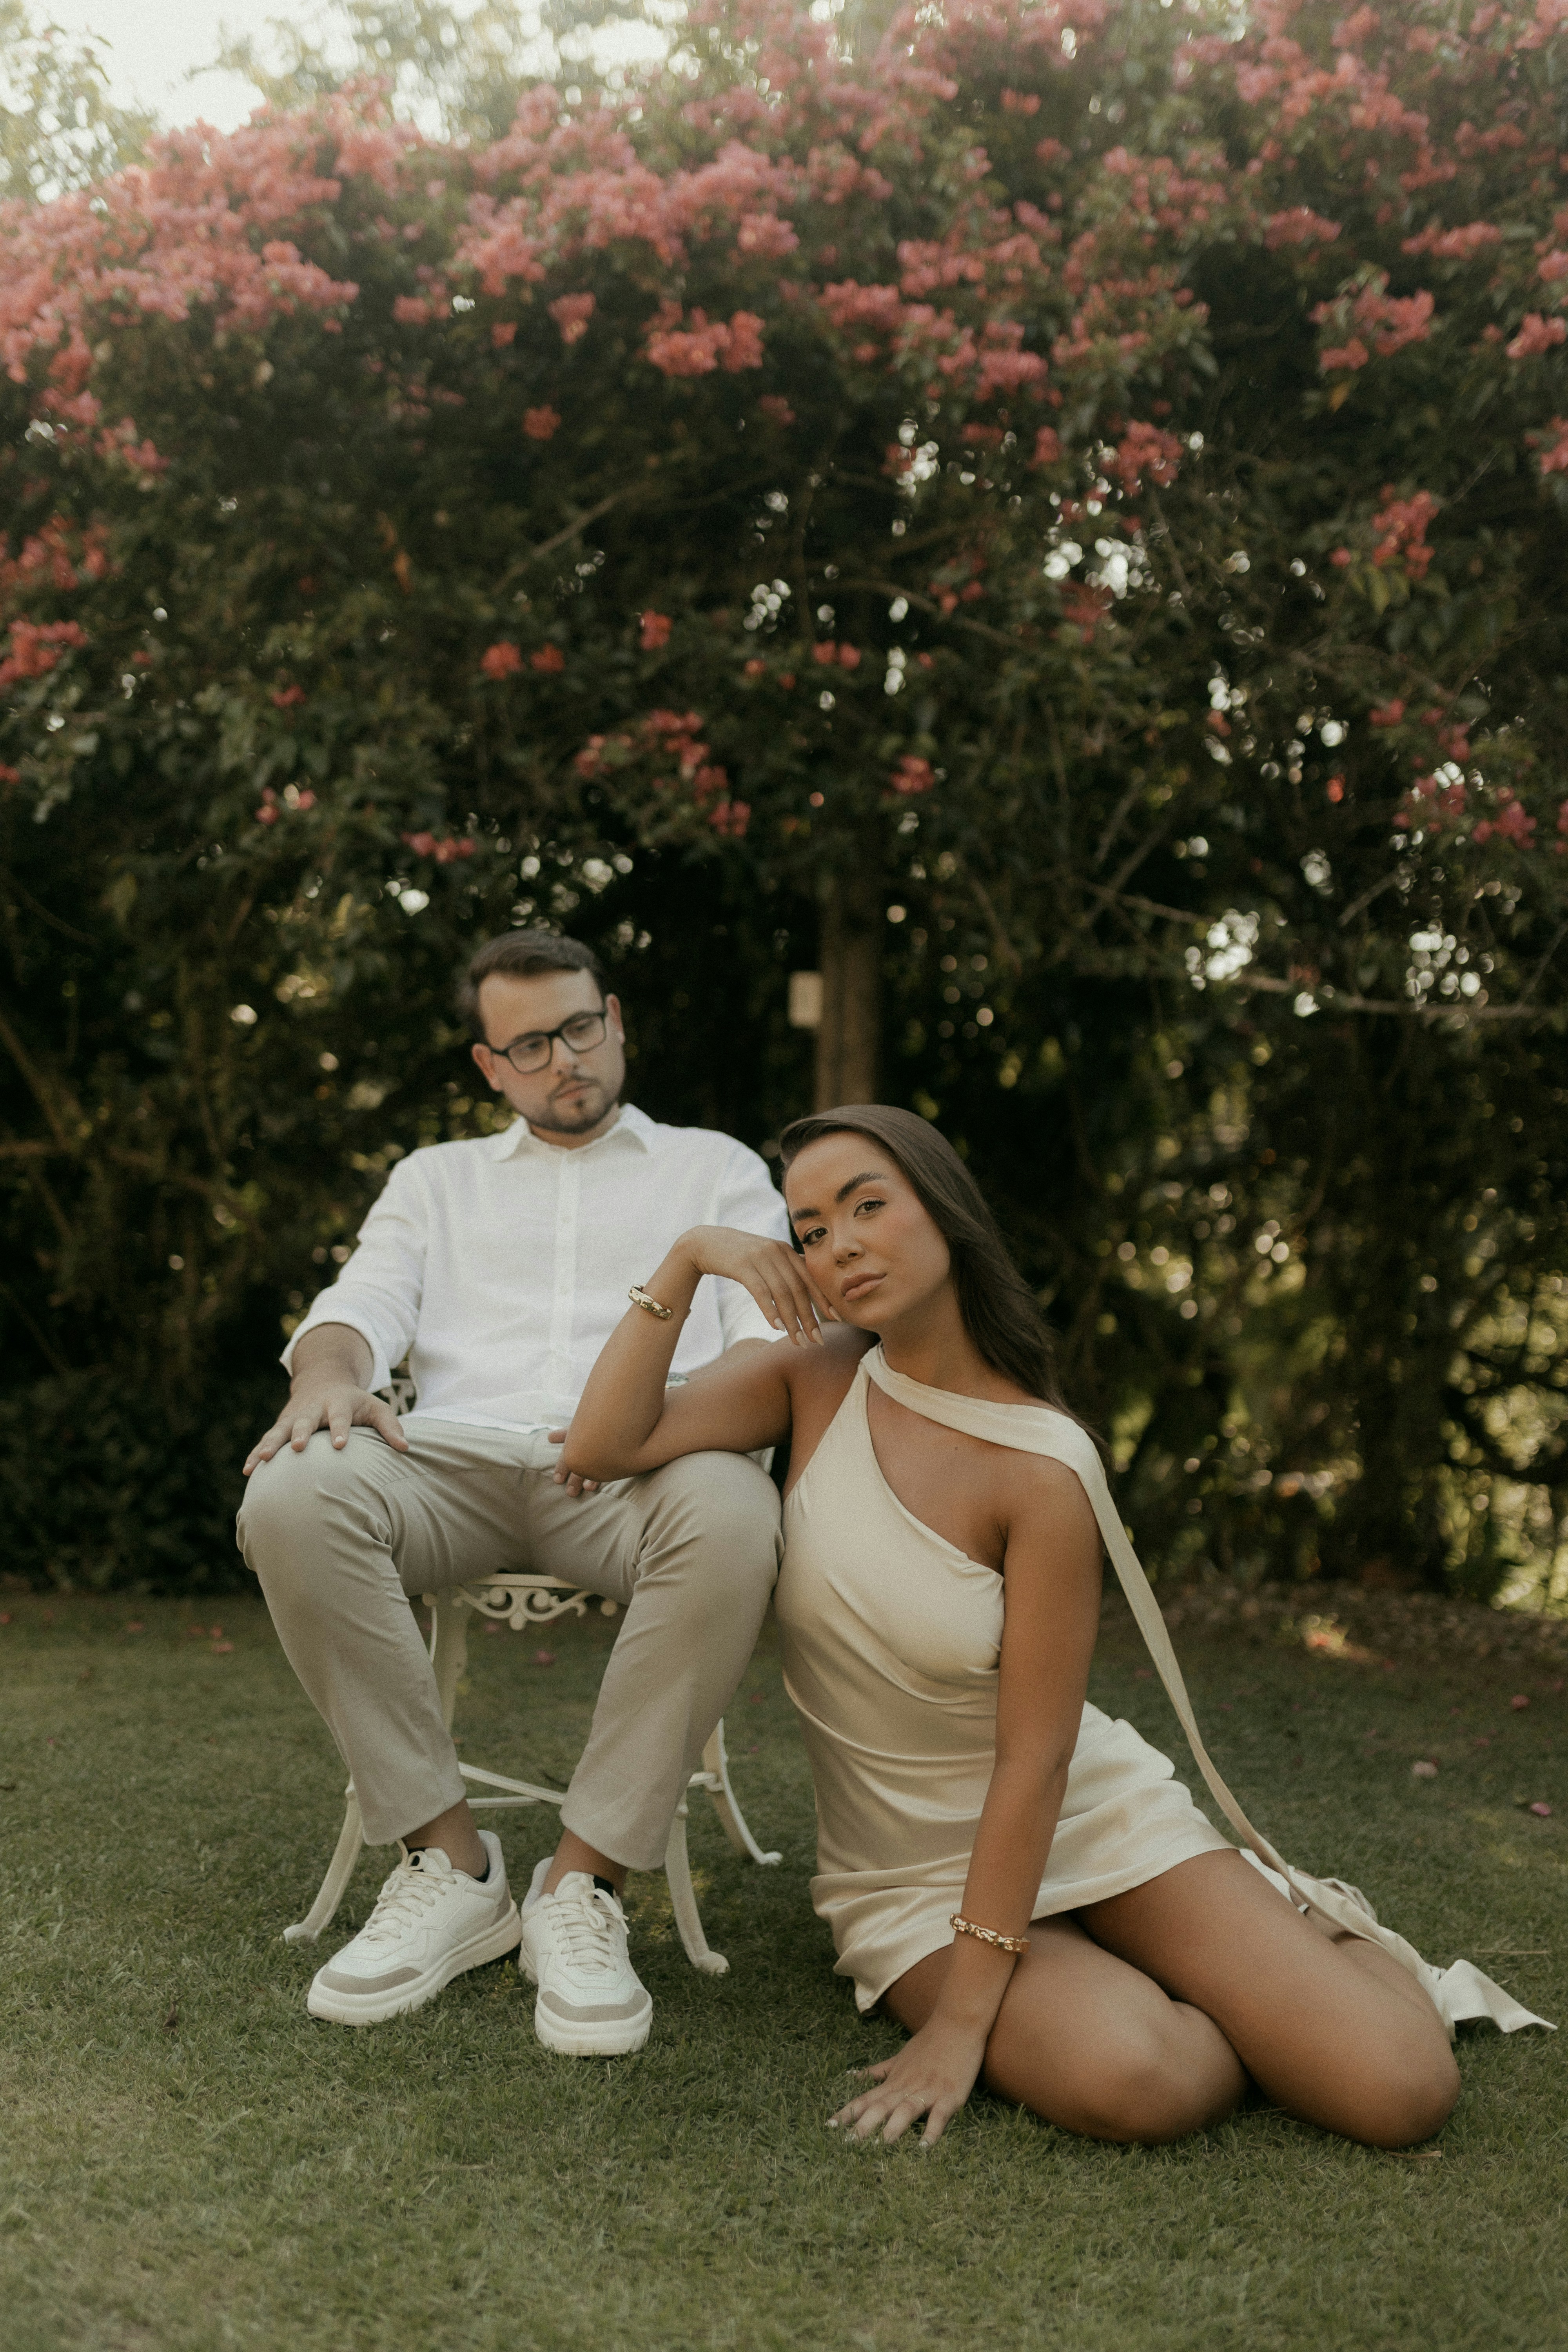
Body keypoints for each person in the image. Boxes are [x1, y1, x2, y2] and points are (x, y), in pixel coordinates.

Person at [561, 1103, 1546, 2147]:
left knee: (1401, 2092)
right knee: (1138, 2082)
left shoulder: (1043, 1464)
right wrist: (684, 1261)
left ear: (943, 1211)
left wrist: (967, 2021)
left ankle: (1299, 1942)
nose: (839, 1244)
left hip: (1080, 1812)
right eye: (809, 1229)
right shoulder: (813, 1378)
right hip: (908, 1875)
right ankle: (1240, 1994)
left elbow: (1037, 1758)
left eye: (867, 1206)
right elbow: (606, 1438)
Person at [238, 930, 789, 2054]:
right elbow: (356, 1307)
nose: (563, 1060)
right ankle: (451, 1865)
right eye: (529, 1044)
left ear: (616, 1019)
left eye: (579, 1028)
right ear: (491, 1067)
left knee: (739, 1514)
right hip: (451, 1469)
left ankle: (581, 1884)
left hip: (641, 1474)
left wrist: (642, 1436)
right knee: (290, 1496)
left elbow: (771, 1349)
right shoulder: (433, 1178)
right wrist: (329, 1377)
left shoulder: (718, 1169)